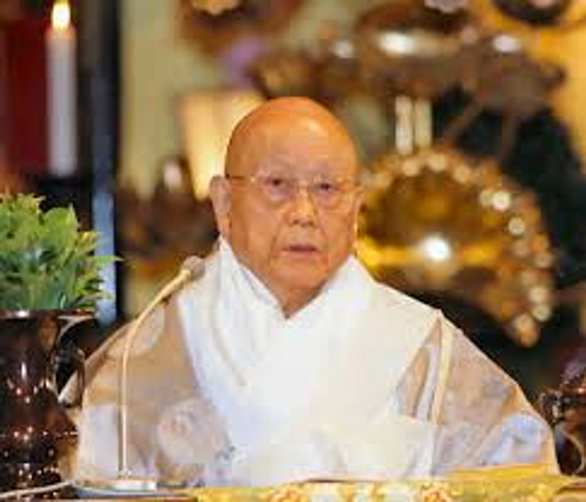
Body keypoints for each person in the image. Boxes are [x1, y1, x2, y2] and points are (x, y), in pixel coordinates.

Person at [72, 97, 557, 487]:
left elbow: (523, 476)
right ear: (224, 203)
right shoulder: (148, 357)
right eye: (277, 184)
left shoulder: (424, 350)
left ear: (356, 210)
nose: (304, 212)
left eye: (327, 188)